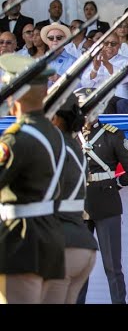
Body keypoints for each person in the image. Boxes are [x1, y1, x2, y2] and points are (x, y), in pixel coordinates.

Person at [0, 54, 66, 303]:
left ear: (13, 96)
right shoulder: (55, 133)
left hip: (21, 240)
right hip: (51, 236)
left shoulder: (16, 138)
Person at [75, 87, 128, 304]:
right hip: (78, 207)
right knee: (78, 268)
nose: (87, 114)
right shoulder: (69, 138)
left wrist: (112, 185)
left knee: (112, 267)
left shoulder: (113, 134)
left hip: (107, 204)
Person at [42, 94, 98, 304]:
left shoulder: (51, 145)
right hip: (80, 240)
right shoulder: (75, 147)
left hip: (57, 241)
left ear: (56, 118)